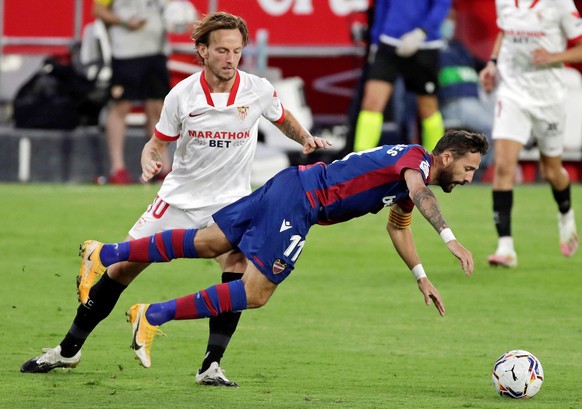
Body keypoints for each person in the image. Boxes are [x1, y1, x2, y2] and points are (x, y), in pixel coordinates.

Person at [20, 12, 330, 387]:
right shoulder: (182, 95)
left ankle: (211, 365)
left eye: (236, 51)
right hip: (178, 201)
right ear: (202, 51)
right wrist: (151, 157)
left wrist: (305, 139)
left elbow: (281, 117)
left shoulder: (257, 89)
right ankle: (68, 350)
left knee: (237, 268)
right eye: (221, 50)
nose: (230, 59)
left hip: (230, 204)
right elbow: (157, 143)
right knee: (121, 269)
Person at [76, 129, 488, 371]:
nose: (470, 177)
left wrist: (422, 278)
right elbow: (420, 194)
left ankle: (105, 253)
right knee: (256, 292)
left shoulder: (406, 175)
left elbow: (399, 225)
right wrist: (451, 239)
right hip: (301, 203)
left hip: (291, 183)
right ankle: (151, 315)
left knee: (209, 243)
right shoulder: (415, 164)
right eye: (468, 168)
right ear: (446, 156)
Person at [479, 0, 582, 267]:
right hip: (512, 93)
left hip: (549, 98)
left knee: (551, 172)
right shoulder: (503, 2)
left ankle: (565, 212)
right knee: (503, 165)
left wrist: (554, 57)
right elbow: (504, 31)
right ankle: (506, 248)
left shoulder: (558, 3)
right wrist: (492, 63)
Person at [353, 0, 451, 153]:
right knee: (371, 102)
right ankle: (358, 163)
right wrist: (375, 41)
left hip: (425, 46)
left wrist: (422, 32)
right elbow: (383, 5)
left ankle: (434, 164)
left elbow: (442, 4)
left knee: (428, 108)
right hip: (388, 43)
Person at [93, 0, 172, 184]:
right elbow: (98, 10)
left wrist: (180, 19)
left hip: (156, 50)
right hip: (125, 52)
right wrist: (123, 21)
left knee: (157, 108)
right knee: (121, 106)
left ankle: (161, 167)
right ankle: (118, 169)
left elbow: (173, 9)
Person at [438, 10, 494, 171]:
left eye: (452, 19)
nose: (449, 23)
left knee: (501, 125)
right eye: (447, 19)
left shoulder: (458, 46)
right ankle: (478, 170)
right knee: (493, 128)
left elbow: (481, 65)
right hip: (454, 100)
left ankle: (479, 168)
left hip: (476, 99)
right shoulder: (431, 47)